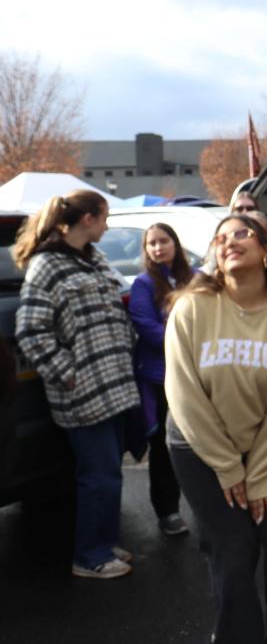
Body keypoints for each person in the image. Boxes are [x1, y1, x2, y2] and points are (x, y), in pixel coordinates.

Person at [165, 214, 267, 643]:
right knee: (233, 551)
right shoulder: (192, 308)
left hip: (263, 450)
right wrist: (230, 469)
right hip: (198, 447)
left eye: (241, 234)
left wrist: (257, 474)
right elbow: (183, 395)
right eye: (221, 237)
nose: (229, 241)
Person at [14, 190, 140, 579]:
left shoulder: (94, 258)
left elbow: (118, 304)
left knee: (110, 472)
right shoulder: (47, 265)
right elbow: (31, 331)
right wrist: (69, 373)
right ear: (88, 218)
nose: (107, 226)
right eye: (105, 218)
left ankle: (105, 540)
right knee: (97, 475)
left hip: (115, 386)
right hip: (83, 394)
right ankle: (89, 556)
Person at [128, 223, 195, 536]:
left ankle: (207, 506)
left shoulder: (194, 278)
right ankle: (167, 511)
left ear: (175, 243)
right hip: (160, 377)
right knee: (163, 447)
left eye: (163, 241)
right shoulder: (143, 284)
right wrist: (182, 344)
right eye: (152, 243)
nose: (158, 248)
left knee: (202, 443)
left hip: (197, 375)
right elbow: (143, 322)